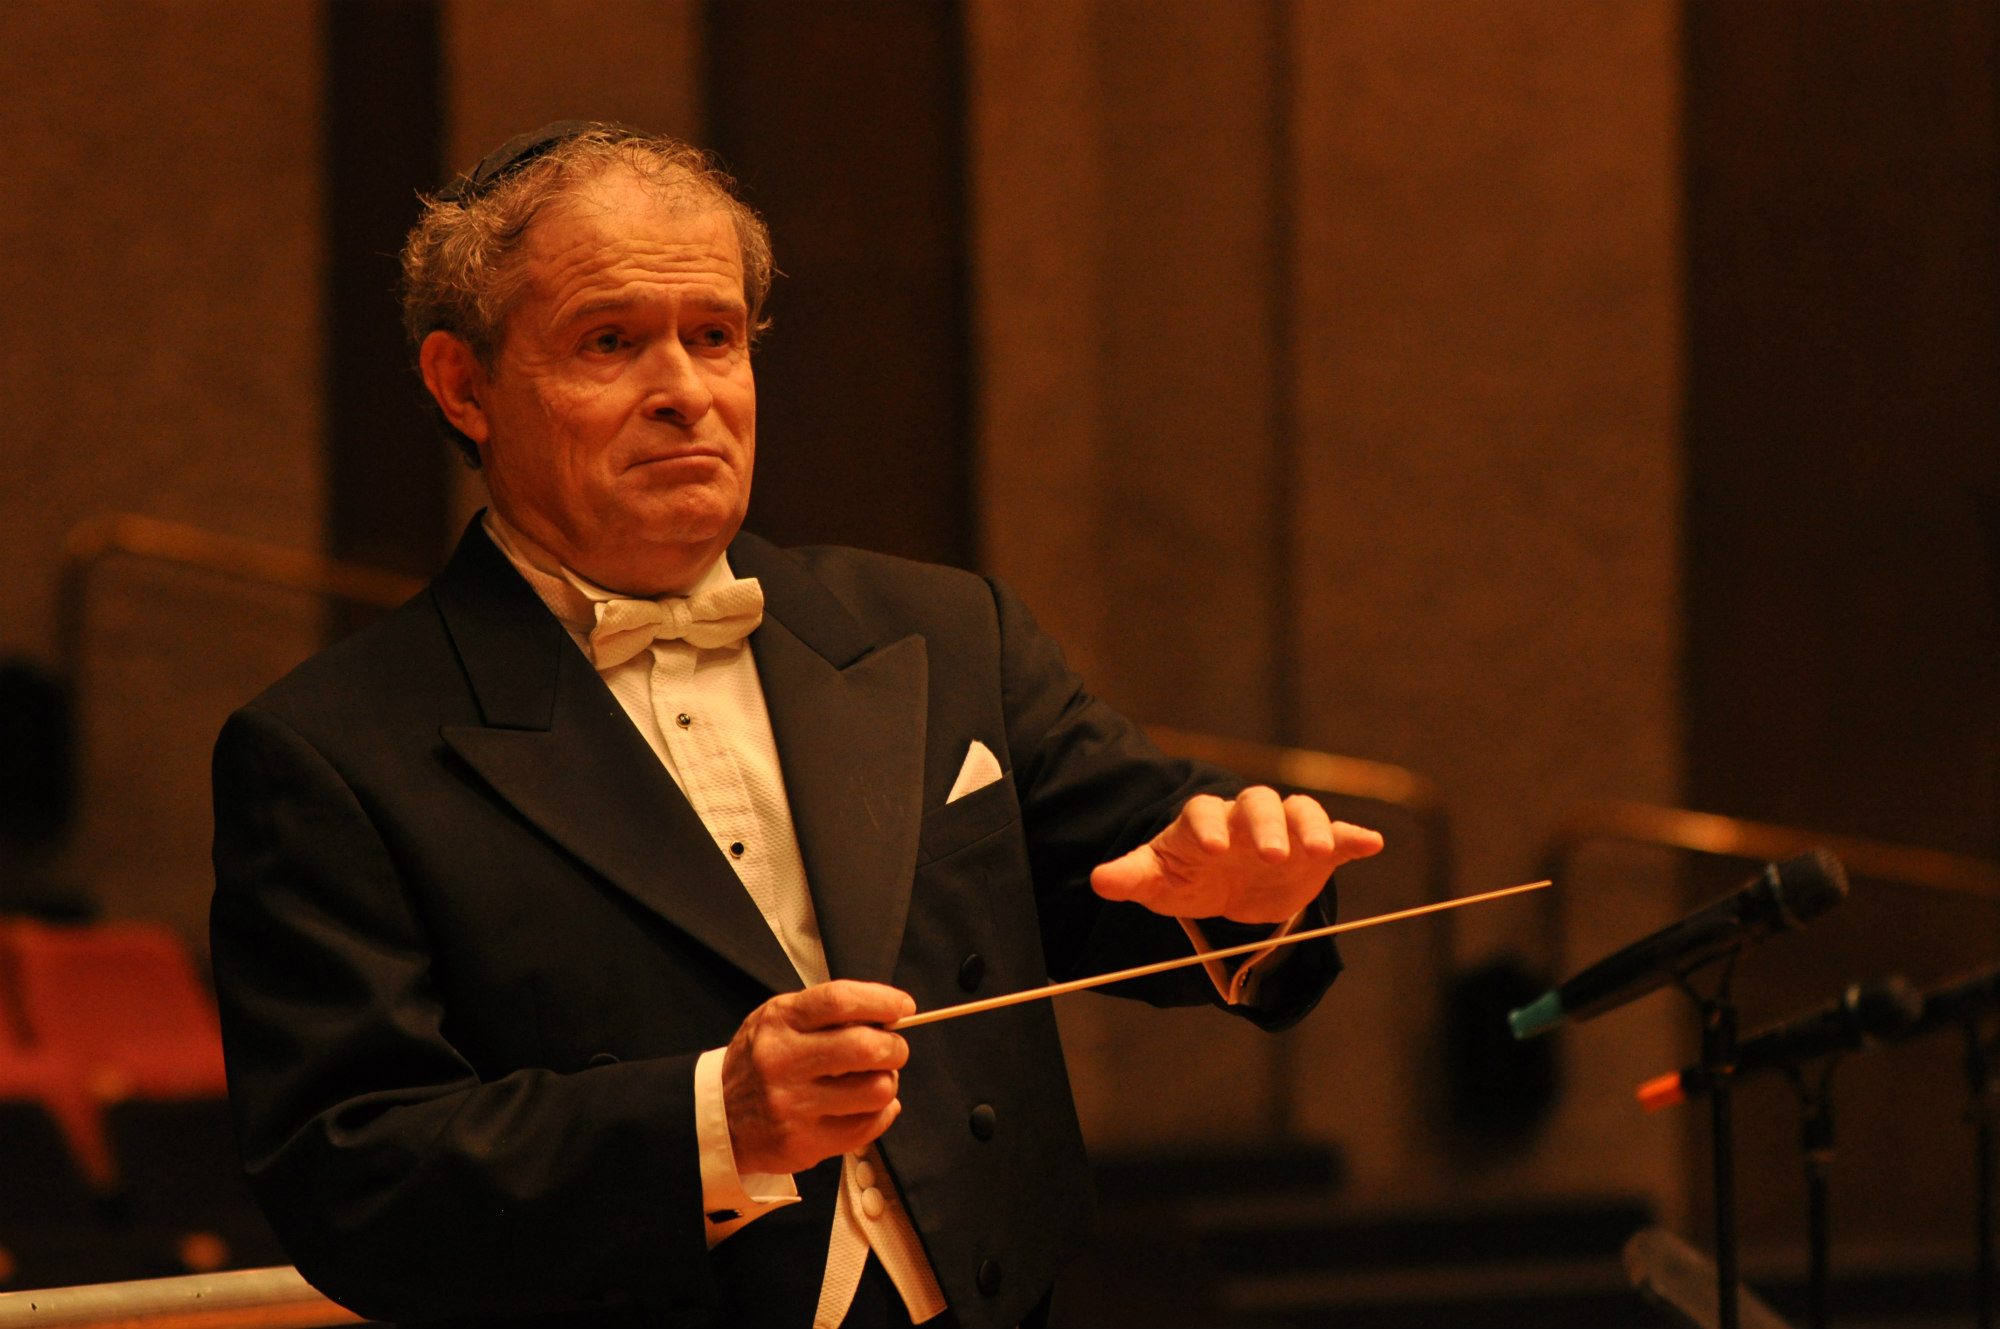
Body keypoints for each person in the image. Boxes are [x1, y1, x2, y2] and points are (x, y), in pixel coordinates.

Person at [209, 123, 1383, 1329]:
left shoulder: (942, 629)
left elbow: (1151, 861)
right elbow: (351, 1177)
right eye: (610, 342)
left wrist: (1244, 896)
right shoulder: (333, 749)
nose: (686, 392)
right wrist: (714, 1123)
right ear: (463, 385)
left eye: (714, 337)